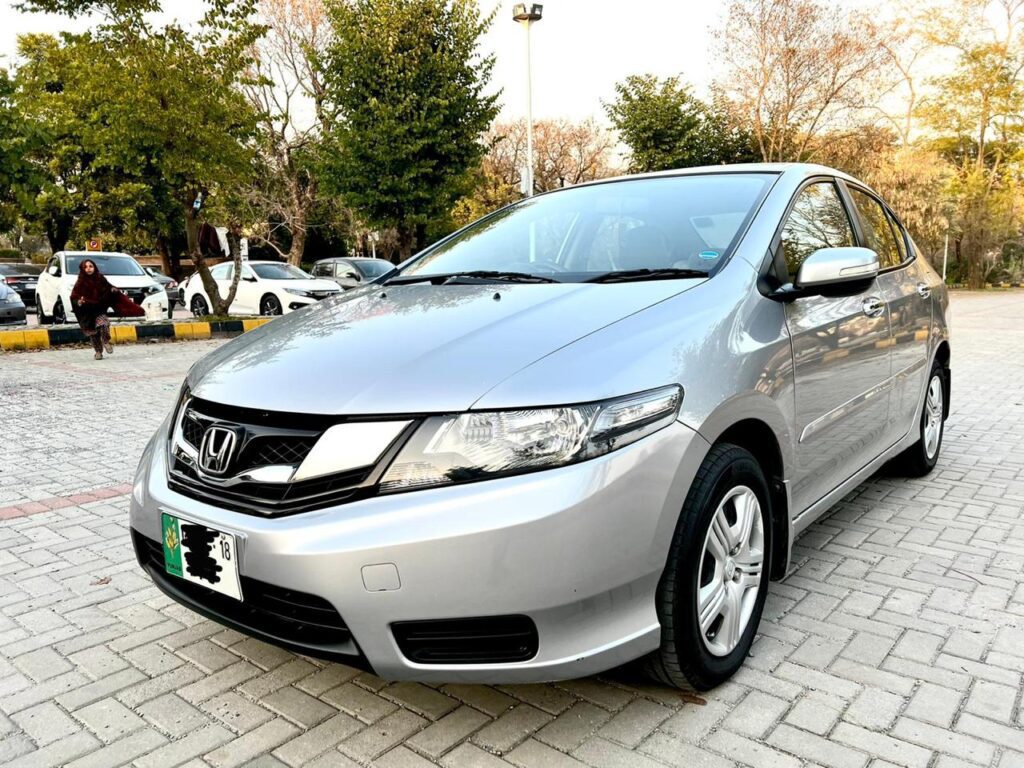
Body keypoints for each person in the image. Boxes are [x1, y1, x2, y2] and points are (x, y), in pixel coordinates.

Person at [70, 259, 116, 360]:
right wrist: (79, 302)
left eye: (90, 266)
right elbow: (74, 297)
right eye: (86, 267)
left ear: (94, 267)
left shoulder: (100, 278)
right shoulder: (80, 282)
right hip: (88, 313)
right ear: (82, 269)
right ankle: (98, 352)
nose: (88, 269)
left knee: (104, 324)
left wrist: (113, 290)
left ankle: (105, 341)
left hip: (99, 309)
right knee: (93, 333)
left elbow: (108, 287)